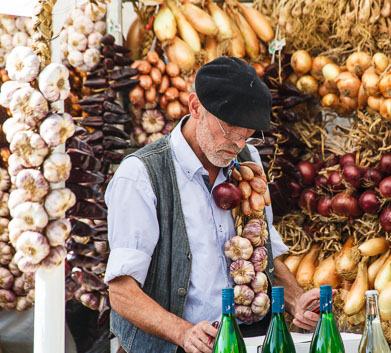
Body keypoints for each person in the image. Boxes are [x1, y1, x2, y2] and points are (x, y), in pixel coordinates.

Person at [104, 57, 321, 353]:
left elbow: (266, 244)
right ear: (195, 107)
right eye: (230, 128)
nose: (238, 142)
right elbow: (121, 292)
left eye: (247, 133)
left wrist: (295, 299)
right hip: (178, 346)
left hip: (249, 340)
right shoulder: (141, 175)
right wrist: (183, 333)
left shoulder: (248, 160)